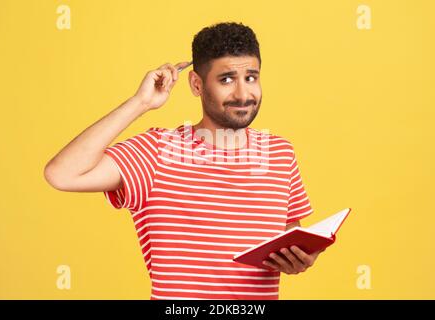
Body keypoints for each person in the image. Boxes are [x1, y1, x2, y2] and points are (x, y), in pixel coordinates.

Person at [44, 22, 324, 300]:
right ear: (196, 84)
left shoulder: (280, 153)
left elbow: (288, 230)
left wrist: (300, 255)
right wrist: (140, 103)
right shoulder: (157, 151)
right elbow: (62, 174)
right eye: (226, 79)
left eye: (251, 77)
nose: (242, 94)